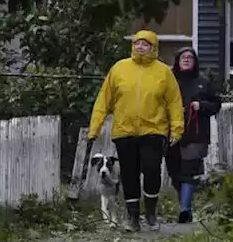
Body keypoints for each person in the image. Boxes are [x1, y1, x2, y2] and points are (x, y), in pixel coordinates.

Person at [88, 30, 184, 231]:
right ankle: (132, 218)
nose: (141, 47)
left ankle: (150, 213)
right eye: (137, 43)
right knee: (129, 174)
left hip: (154, 130)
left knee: (151, 169)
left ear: (154, 48)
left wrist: (176, 129)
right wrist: (94, 128)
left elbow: (174, 102)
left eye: (146, 44)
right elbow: (103, 100)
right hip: (125, 131)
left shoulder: (164, 72)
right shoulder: (119, 69)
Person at [166, 47, 222, 224]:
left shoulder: (203, 82)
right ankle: (184, 204)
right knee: (174, 172)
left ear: (195, 62)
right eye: (183, 57)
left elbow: (216, 105)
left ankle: (185, 209)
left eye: (191, 57)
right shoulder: (169, 81)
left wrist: (201, 105)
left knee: (189, 170)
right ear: (177, 60)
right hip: (171, 133)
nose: (187, 59)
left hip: (196, 134)